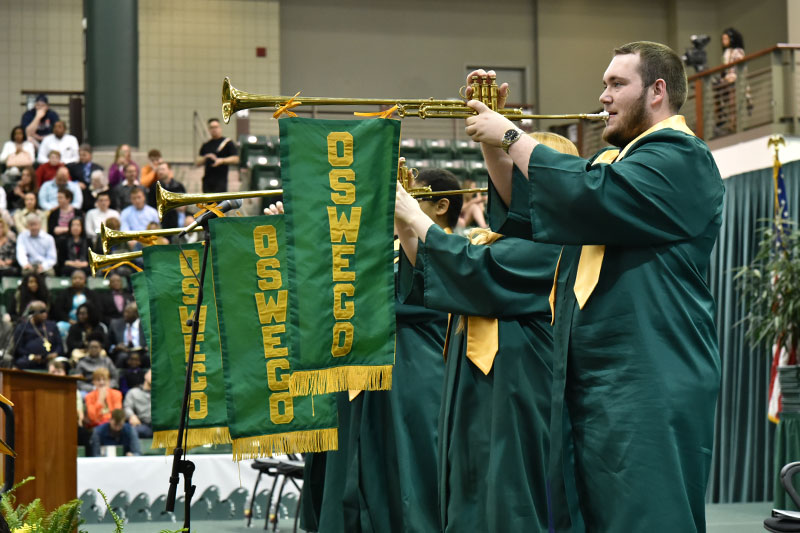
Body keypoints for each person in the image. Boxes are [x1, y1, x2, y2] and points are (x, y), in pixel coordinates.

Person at [462, 41, 723, 531]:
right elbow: (527, 212)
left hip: (649, 373)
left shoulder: (681, 158)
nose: (602, 96)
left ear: (657, 92)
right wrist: (493, 142)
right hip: (599, 376)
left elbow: (586, 195)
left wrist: (515, 134)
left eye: (616, 84)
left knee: (648, 517)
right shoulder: (614, 164)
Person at [13, 300, 63, 370]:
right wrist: (32, 356)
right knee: (21, 362)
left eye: (45, 311)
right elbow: (19, 348)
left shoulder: (52, 325)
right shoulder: (22, 327)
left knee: (62, 363)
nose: (44, 314)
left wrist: (56, 353)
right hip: (30, 359)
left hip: (51, 359)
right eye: (41, 312)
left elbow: (59, 345)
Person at [196, 118, 239, 193]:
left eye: (216, 127)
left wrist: (222, 161)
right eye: (211, 127)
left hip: (220, 182)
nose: (214, 129)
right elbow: (197, 162)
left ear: (220, 128)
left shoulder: (227, 143)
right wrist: (206, 157)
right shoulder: (206, 144)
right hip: (207, 182)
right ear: (209, 129)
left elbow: (236, 159)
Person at [146, 161, 185, 228]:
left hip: (176, 219)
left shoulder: (178, 186)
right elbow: (151, 205)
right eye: (159, 170)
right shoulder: (153, 187)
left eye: (163, 169)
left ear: (170, 170)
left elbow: (184, 206)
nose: (160, 172)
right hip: (160, 220)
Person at [109, 302, 146, 367]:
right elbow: (108, 344)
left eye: (128, 312)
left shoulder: (146, 325)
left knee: (149, 357)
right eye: (125, 312)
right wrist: (116, 347)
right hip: (124, 352)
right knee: (122, 357)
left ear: (136, 314)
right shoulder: (115, 324)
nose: (125, 314)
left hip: (142, 352)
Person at [123, 369, 152, 438]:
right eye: (152, 373)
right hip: (141, 424)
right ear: (145, 375)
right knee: (130, 430)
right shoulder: (133, 392)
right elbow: (127, 407)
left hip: (160, 426)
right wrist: (131, 416)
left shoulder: (162, 394)